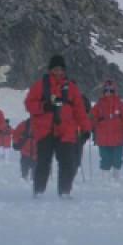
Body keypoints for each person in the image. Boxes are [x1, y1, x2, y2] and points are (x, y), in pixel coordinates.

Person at [24, 55, 91, 198]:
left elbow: (80, 111)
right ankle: (39, 191)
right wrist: (43, 106)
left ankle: (65, 191)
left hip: (66, 131)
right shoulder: (41, 85)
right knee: (43, 162)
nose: (58, 72)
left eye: (61, 69)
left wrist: (86, 129)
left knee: (68, 162)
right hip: (45, 130)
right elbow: (29, 104)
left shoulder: (72, 88)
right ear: (50, 70)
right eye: (55, 69)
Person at [91, 80, 123, 180]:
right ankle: (105, 178)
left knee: (117, 159)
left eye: (111, 90)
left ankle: (116, 177)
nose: (108, 92)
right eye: (106, 90)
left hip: (118, 138)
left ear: (114, 91)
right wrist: (89, 127)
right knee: (105, 159)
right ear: (103, 91)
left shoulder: (121, 104)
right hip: (102, 138)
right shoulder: (99, 105)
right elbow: (91, 118)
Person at [72, 93, 92, 180]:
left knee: (75, 152)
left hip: (78, 131)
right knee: (76, 152)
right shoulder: (82, 99)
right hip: (77, 132)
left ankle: (73, 172)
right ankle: (73, 171)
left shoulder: (81, 99)